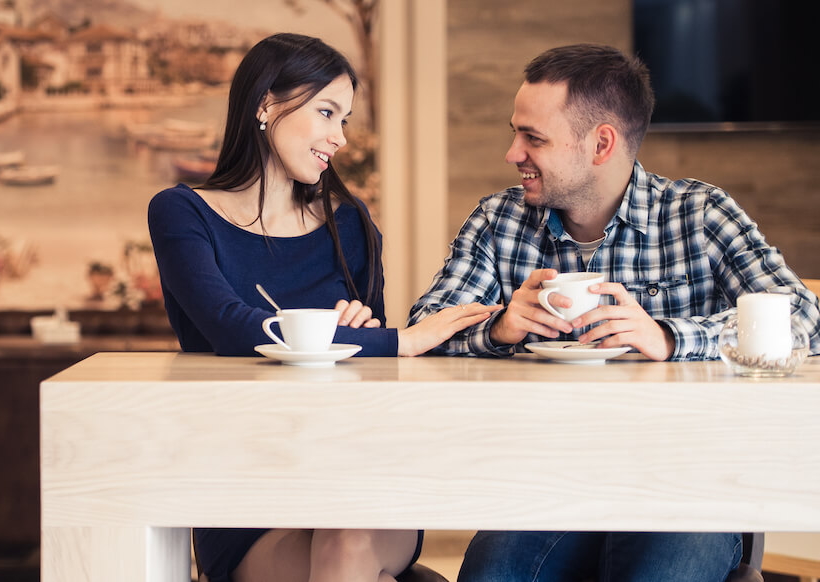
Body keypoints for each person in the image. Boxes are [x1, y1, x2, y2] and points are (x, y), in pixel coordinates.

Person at [408, 44, 820, 582]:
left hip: (688, 488)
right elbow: (427, 327)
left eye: (533, 137)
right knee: (493, 572)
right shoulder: (499, 221)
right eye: (516, 132)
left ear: (601, 143)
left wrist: (670, 338)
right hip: (552, 485)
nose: (512, 153)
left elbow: (804, 320)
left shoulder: (699, 215)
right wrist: (499, 326)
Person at [148, 33, 497, 582]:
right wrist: (395, 340)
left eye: (346, 120)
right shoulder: (181, 213)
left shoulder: (350, 224)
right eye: (327, 113)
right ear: (265, 104)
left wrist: (360, 344)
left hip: (354, 476)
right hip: (244, 495)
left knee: (348, 540)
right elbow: (231, 330)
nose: (339, 138)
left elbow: (371, 378)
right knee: (349, 558)